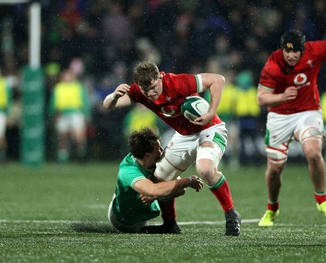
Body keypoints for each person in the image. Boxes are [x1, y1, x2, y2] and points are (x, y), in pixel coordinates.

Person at [103, 61, 241, 236]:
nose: (151, 93)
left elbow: (217, 80)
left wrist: (211, 112)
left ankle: (231, 215)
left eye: (153, 87)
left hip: (209, 129)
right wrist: (115, 95)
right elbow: (107, 105)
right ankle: (170, 224)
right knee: (159, 178)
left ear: (159, 76)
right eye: (146, 91)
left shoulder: (177, 83)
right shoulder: (140, 91)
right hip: (184, 135)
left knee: (205, 169)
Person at [257, 29, 326, 226]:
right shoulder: (273, 63)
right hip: (279, 116)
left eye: (295, 52)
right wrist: (282, 97)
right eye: (287, 52)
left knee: (313, 152)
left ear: (303, 50)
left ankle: (322, 200)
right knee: (275, 170)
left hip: (308, 111)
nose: (291, 56)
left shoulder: (315, 50)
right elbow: (261, 97)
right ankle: (272, 208)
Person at [108, 127, 203, 234]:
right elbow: (155, 190)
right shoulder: (128, 171)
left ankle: (170, 225)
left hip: (142, 209)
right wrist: (188, 180)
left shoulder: (150, 159)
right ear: (147, 155)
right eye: (158, 149)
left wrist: (157, 194)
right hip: (124, 221)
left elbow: (180, 189)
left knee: (166, 185)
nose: (162, 150)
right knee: (163, 187)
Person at [49, 69, 91, 163]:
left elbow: (85, 102)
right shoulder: (58, 88)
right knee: (62, 136)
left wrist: (86, 114)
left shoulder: (78, 87)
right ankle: (62, 157)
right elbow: (53, 102)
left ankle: (82, 155)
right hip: (62, 114)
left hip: (76, 113)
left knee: (78, 136)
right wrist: (53, 114)